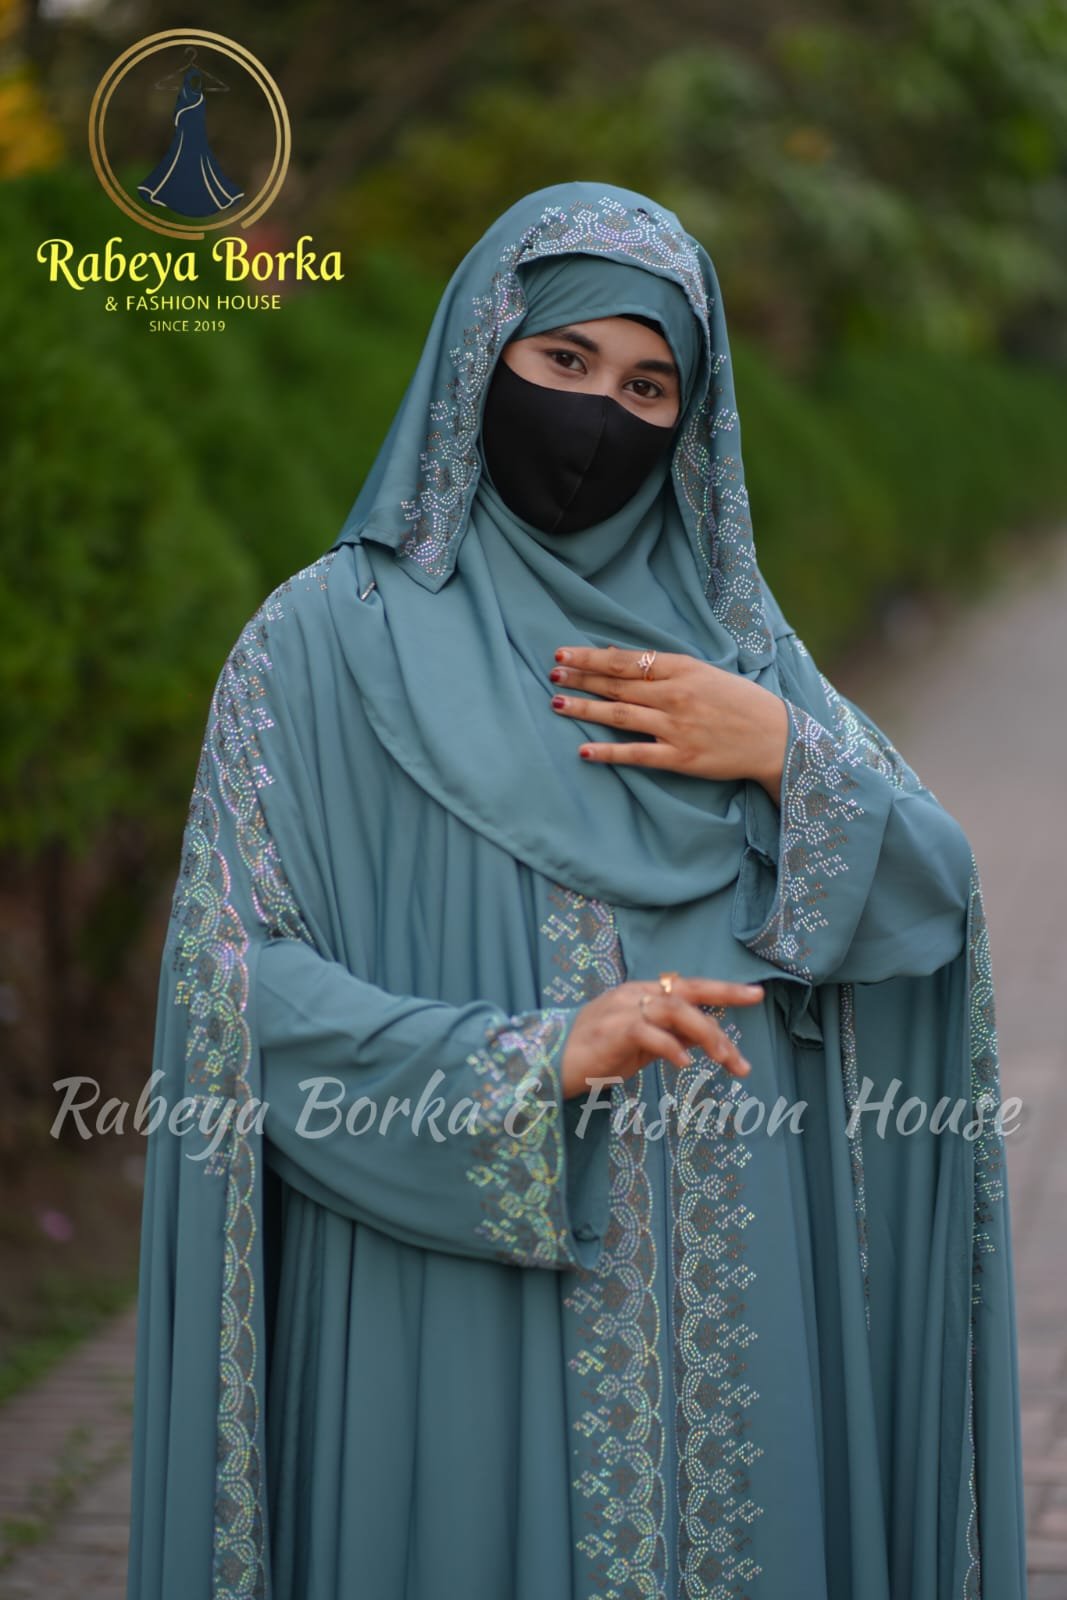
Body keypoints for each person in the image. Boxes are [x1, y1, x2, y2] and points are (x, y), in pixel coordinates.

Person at [126, 181, 1027, 1600]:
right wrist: (526, 1060)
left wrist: (784, 755)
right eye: (564, 360)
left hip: (738, 1311)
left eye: (649, 387)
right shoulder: (323, 648)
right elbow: (229, 986)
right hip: (442, 1299)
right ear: (479, 356)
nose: (601, 414)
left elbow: (935, 903)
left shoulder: (743, 655)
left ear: (695, 424)